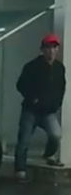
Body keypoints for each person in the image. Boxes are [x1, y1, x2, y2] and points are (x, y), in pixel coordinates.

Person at [14, 33, 66, 181]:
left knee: (55, 134)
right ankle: (20, 169)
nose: (51, 51)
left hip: (47, 111)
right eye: (48, 48)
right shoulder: (32, 66)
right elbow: (20, 85)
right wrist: (33, 98)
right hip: (30, 110)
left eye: (54, 48)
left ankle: (48, 154)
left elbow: (61, 87)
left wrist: (56, 104)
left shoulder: (59, 68)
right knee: (24, 139)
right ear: (42, 50)